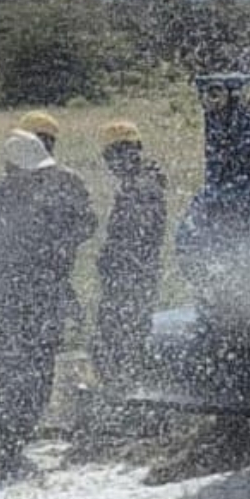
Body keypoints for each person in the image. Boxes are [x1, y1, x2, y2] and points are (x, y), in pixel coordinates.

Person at [0, 129, 93, 477]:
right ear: (15, 171)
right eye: (34, 172)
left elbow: (77, 233)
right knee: (17, 376)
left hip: (32, 303)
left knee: (29, 375)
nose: (39, 178)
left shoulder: (20, 201)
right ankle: (5, 449)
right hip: (13, 306)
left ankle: (10, 446)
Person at [92, 121, 167, 387]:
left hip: (131, 281)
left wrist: (112, 262)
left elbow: (135, 237)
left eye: (110, 156)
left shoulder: (140, 187)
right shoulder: (143, 182)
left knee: (116, 345)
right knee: (125, 343)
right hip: (136, 278)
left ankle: (132, 402)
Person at [15, 109, 97, 330]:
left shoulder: (66, 180)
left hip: (50, 270)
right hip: (24, 272)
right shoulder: (15, 179)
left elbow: (88, 222)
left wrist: (61, 244)